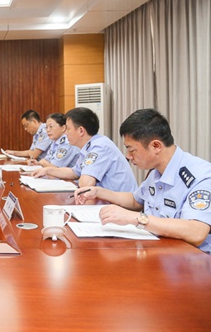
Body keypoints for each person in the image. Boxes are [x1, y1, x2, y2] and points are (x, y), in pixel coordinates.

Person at [73, 109, 211, 254]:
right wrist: (98, 192)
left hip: (191, 260)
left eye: (132, 150)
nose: (128, 156)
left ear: (156, 146)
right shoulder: (156, 171)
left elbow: (197, 232)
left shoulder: (201, 175)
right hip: (159, 250)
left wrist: (136, 218)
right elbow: (136, 200)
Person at [32, 107, 138, 192]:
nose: (65, 132)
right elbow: (74, 172)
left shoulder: (99, 147)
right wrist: (47, 170)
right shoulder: (88, 146)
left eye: (68, 128)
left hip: (120, 206)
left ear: (81, 131)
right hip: (105, 203)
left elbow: (86, 184)